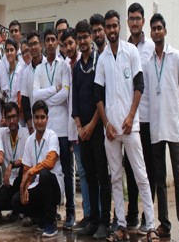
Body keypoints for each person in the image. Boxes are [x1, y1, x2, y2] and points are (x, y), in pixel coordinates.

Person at [94, 10, 159, 242]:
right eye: (108, 26)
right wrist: (106, 124)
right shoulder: (102, 58)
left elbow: (139, 85)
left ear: (119, 27)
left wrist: (131, 117)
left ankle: (150, 226)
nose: (111, 30)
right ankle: (121, 224)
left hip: (131, 127)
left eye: (114, 26)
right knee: (115, 178)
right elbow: (98, 94)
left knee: (141, 175)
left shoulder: (131, 51)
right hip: (111, 130)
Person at [144, 14, 179, 242]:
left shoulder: (176, 56)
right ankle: (164, 224)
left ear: (165, 30)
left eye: (159, 28)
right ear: (151, 32)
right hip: (156, 128)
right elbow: (146, 95)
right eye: (153, 28)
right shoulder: (148, 62)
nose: (156, 32)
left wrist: (174, 113)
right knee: (159, 180)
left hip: (173, 127)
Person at [71, 20, 111, 239]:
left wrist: (92, 125)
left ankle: (105, 221)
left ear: (91, 38)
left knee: (103, 175)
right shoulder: (77, 68)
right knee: (90, 176)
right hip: (83, 132)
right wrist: (79, 127)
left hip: (98, 129)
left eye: (86, 36)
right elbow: (75, 102)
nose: (83, 41)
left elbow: (101, 97)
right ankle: (93, 220)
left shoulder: (100, 62)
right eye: (80, 38)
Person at [33, 28, 74, 229]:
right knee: (47, 169)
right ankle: (50, 211)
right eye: (47, 40)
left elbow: (65, 93)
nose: (50, 43)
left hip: (62, 127)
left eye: (53, 40)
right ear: (43, 43)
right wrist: (53, 90)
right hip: (46, 128)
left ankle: (71, 212)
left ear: (57, 43)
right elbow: (34, 95)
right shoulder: (39, 69)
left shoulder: (64, 65)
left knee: (66, 170)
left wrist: (45, 101)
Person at [12, 100, 64, 238]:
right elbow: (26, 169)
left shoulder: (52, 136)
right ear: (33, 119)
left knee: (45, 174)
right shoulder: (30, 140)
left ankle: (51, 222)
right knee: (16, 200)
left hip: (54, 187)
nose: (39, 121)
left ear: (47, 119)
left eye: (42, 117)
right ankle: (41, 217)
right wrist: (24, 187)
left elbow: (50, 162)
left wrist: (32, 171)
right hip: (37, 185)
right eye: (36, 117)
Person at [125, 3, 156, 233]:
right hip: (129, 120)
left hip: (147, 118)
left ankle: (148, 215)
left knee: (148, 169)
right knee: (130, 168)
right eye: (131, 18)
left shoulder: (151, 47)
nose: (134, 22)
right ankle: (133, 213)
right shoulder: (124, 48)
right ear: (128, 22)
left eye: (138, 18)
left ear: (143, 21)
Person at [61, 27, 92, 231]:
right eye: (66, 45)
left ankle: (95, 215)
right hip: (73, 128)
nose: (69, 47)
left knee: (91, 173)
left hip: (88, 126)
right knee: (81, 171)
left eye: (71, 43)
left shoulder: (84, 63)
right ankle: (87, 215)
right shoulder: (65, 65)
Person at [0, 102, 29, 218]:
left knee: (24, 167)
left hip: (22, 180)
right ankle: (16, 209)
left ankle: (24, 211)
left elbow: (28, 158)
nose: (11, 121)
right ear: (4, 120)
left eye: (14, 117)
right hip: (8, 182)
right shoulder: (2, 133)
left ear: (18, 117)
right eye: (8, 118)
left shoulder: (26, 133)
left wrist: (11, 165)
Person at [20, 30, 46, 134]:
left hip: (50, 120)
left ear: (41, 45)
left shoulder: (49, 66)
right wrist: (30, 125)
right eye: (30, 45)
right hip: (34, 125)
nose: (33, 47)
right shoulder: (26, 72)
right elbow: (25, 101)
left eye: (35, 43)